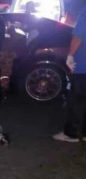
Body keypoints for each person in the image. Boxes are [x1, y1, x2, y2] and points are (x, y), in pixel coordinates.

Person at [53, 7, 86, 142]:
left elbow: (79, 36)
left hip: (83, 66)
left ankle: (71, 134)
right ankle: (84, 133)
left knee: (76, 100)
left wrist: (70, 55)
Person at [0, 23, 26, 101]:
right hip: (6, 57)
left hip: (3, 57)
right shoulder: (18, 35)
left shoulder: (1, 33)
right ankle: (0, 93)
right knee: (2, 75)